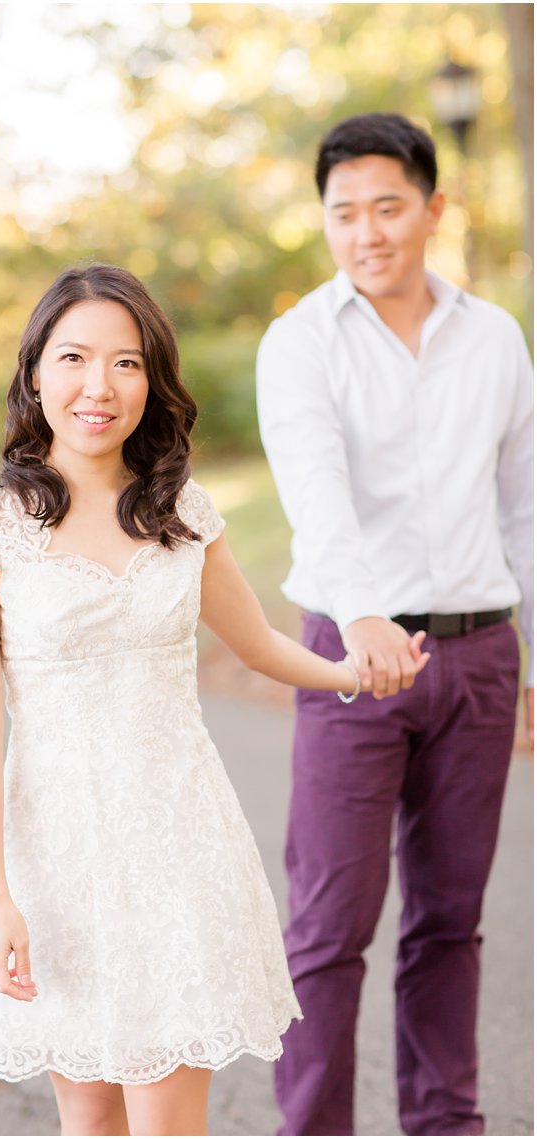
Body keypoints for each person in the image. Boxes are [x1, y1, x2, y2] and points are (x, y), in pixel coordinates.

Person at [0, 263, 429, 1136]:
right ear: (36, 372)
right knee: (87, 1118)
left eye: (126, 363)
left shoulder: (181, 509)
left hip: (180, 846)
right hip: (59, 857)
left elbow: (261, 644)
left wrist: (358, 670)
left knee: (169, 1121)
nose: (99, 386)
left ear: (152, 379)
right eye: (75, 358)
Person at [257, 112, 533, 1136]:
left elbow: (522, 508)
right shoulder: (298, 345)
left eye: (386, 207)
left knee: (448, 922)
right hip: (346, 658)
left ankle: (442, 1123)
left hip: (476, 654)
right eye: (343, 213)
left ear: (430, 208)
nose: (366, 231)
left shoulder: (494, 338)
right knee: (328, 925)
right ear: (322, 222)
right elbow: (314, 496)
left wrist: (530, 658)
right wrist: (363, 617)